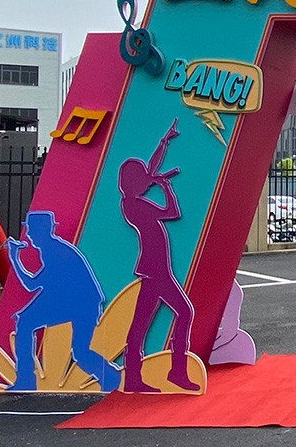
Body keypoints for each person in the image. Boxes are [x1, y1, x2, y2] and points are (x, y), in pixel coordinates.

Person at [118, 120, 199, 393]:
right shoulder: (134, 205)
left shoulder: (134, 201)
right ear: (133, 182)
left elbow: (150, 170)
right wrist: (164, 186)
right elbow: (171, 212)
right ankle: (169, 372)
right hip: (155, 271)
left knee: (145, 323)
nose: (147, 178)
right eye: (142, 177)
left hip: (155, 270)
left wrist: (164, 142)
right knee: (177, 314)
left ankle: (145, 375)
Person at [6, 211, 121, 392]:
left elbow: (31, 285)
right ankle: (25, 379)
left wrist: (14, 257)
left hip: (83, 306)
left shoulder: (55, 252)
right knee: (26, 322)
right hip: (78, 303)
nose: (28, 235)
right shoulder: (51, 249)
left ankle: (26, 380)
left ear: (43, 231)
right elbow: (49, 291)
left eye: (31, 230)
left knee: (79, 351)